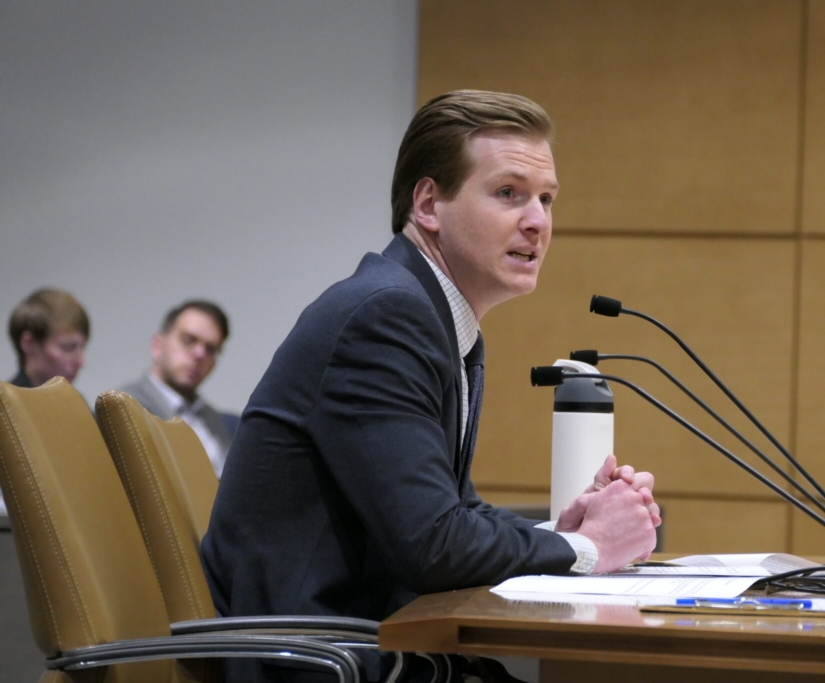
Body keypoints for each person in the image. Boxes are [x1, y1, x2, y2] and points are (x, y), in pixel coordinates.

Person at [201, 90, 660, 683]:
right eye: (508, 193)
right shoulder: (385, 316)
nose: (538, 221)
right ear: (428, 204)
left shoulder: (435, 317)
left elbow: (452, 513)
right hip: (313, 658)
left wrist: (561, 530)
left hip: (361, 644)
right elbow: (433, 545)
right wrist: (590, 550)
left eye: (546, 199)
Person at [119, 300, 236, 477]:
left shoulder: (212, 417)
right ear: (157, 345)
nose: (199, 354)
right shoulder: (125, 405)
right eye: (189, 340)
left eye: (211, 349)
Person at [4, 288, 90, 516]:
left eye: (82, 347)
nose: (81, 360)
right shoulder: (5, 409)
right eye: (68, 347)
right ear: (28, 343)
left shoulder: (78, 405)